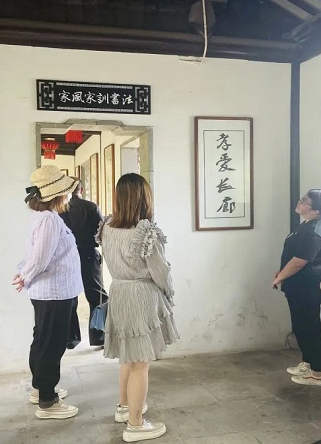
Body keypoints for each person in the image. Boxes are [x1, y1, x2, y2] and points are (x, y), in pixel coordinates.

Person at [96, 173, 179, 443]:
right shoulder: (145, 232)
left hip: (119, 292)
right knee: (141, 364)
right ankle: (135, 424)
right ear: (144, 198)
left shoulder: (107, 227)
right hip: (141, 296)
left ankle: (124, 407)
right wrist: (169, 291)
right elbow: (160, 271)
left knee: (128, 356)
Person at [12, 165, 83, 420]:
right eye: (66, 191)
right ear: (57, 194)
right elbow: (41, 257)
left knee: (42, 340)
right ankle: (48, 400)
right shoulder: (50, 220)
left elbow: (34, 254)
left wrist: (24, 273)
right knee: (51, 344)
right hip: (54, 292)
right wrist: (26, 275)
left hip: (50, 291)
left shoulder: (41, 216)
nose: (68, 195)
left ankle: (40, 388)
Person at [274, 189, 321, 387]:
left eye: (304, 201)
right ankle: (309, 363)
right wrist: (281, 272)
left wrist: (280, 277)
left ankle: (318, 373)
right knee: (301, 326)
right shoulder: (309, 225)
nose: (299, 202)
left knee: (309, 328)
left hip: (306, 287)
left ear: (316, 210)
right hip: (298, 286)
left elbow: (299, 262)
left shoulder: (315, 230)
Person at [59, 178, 108, 348]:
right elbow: (102, 233)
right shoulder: (90, 207)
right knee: (97, 296)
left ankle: (70, 338)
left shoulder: (59, 209)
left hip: (66, 257)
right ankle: (98, 336)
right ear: (81, 189)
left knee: (69, 297)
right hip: (88, 254)